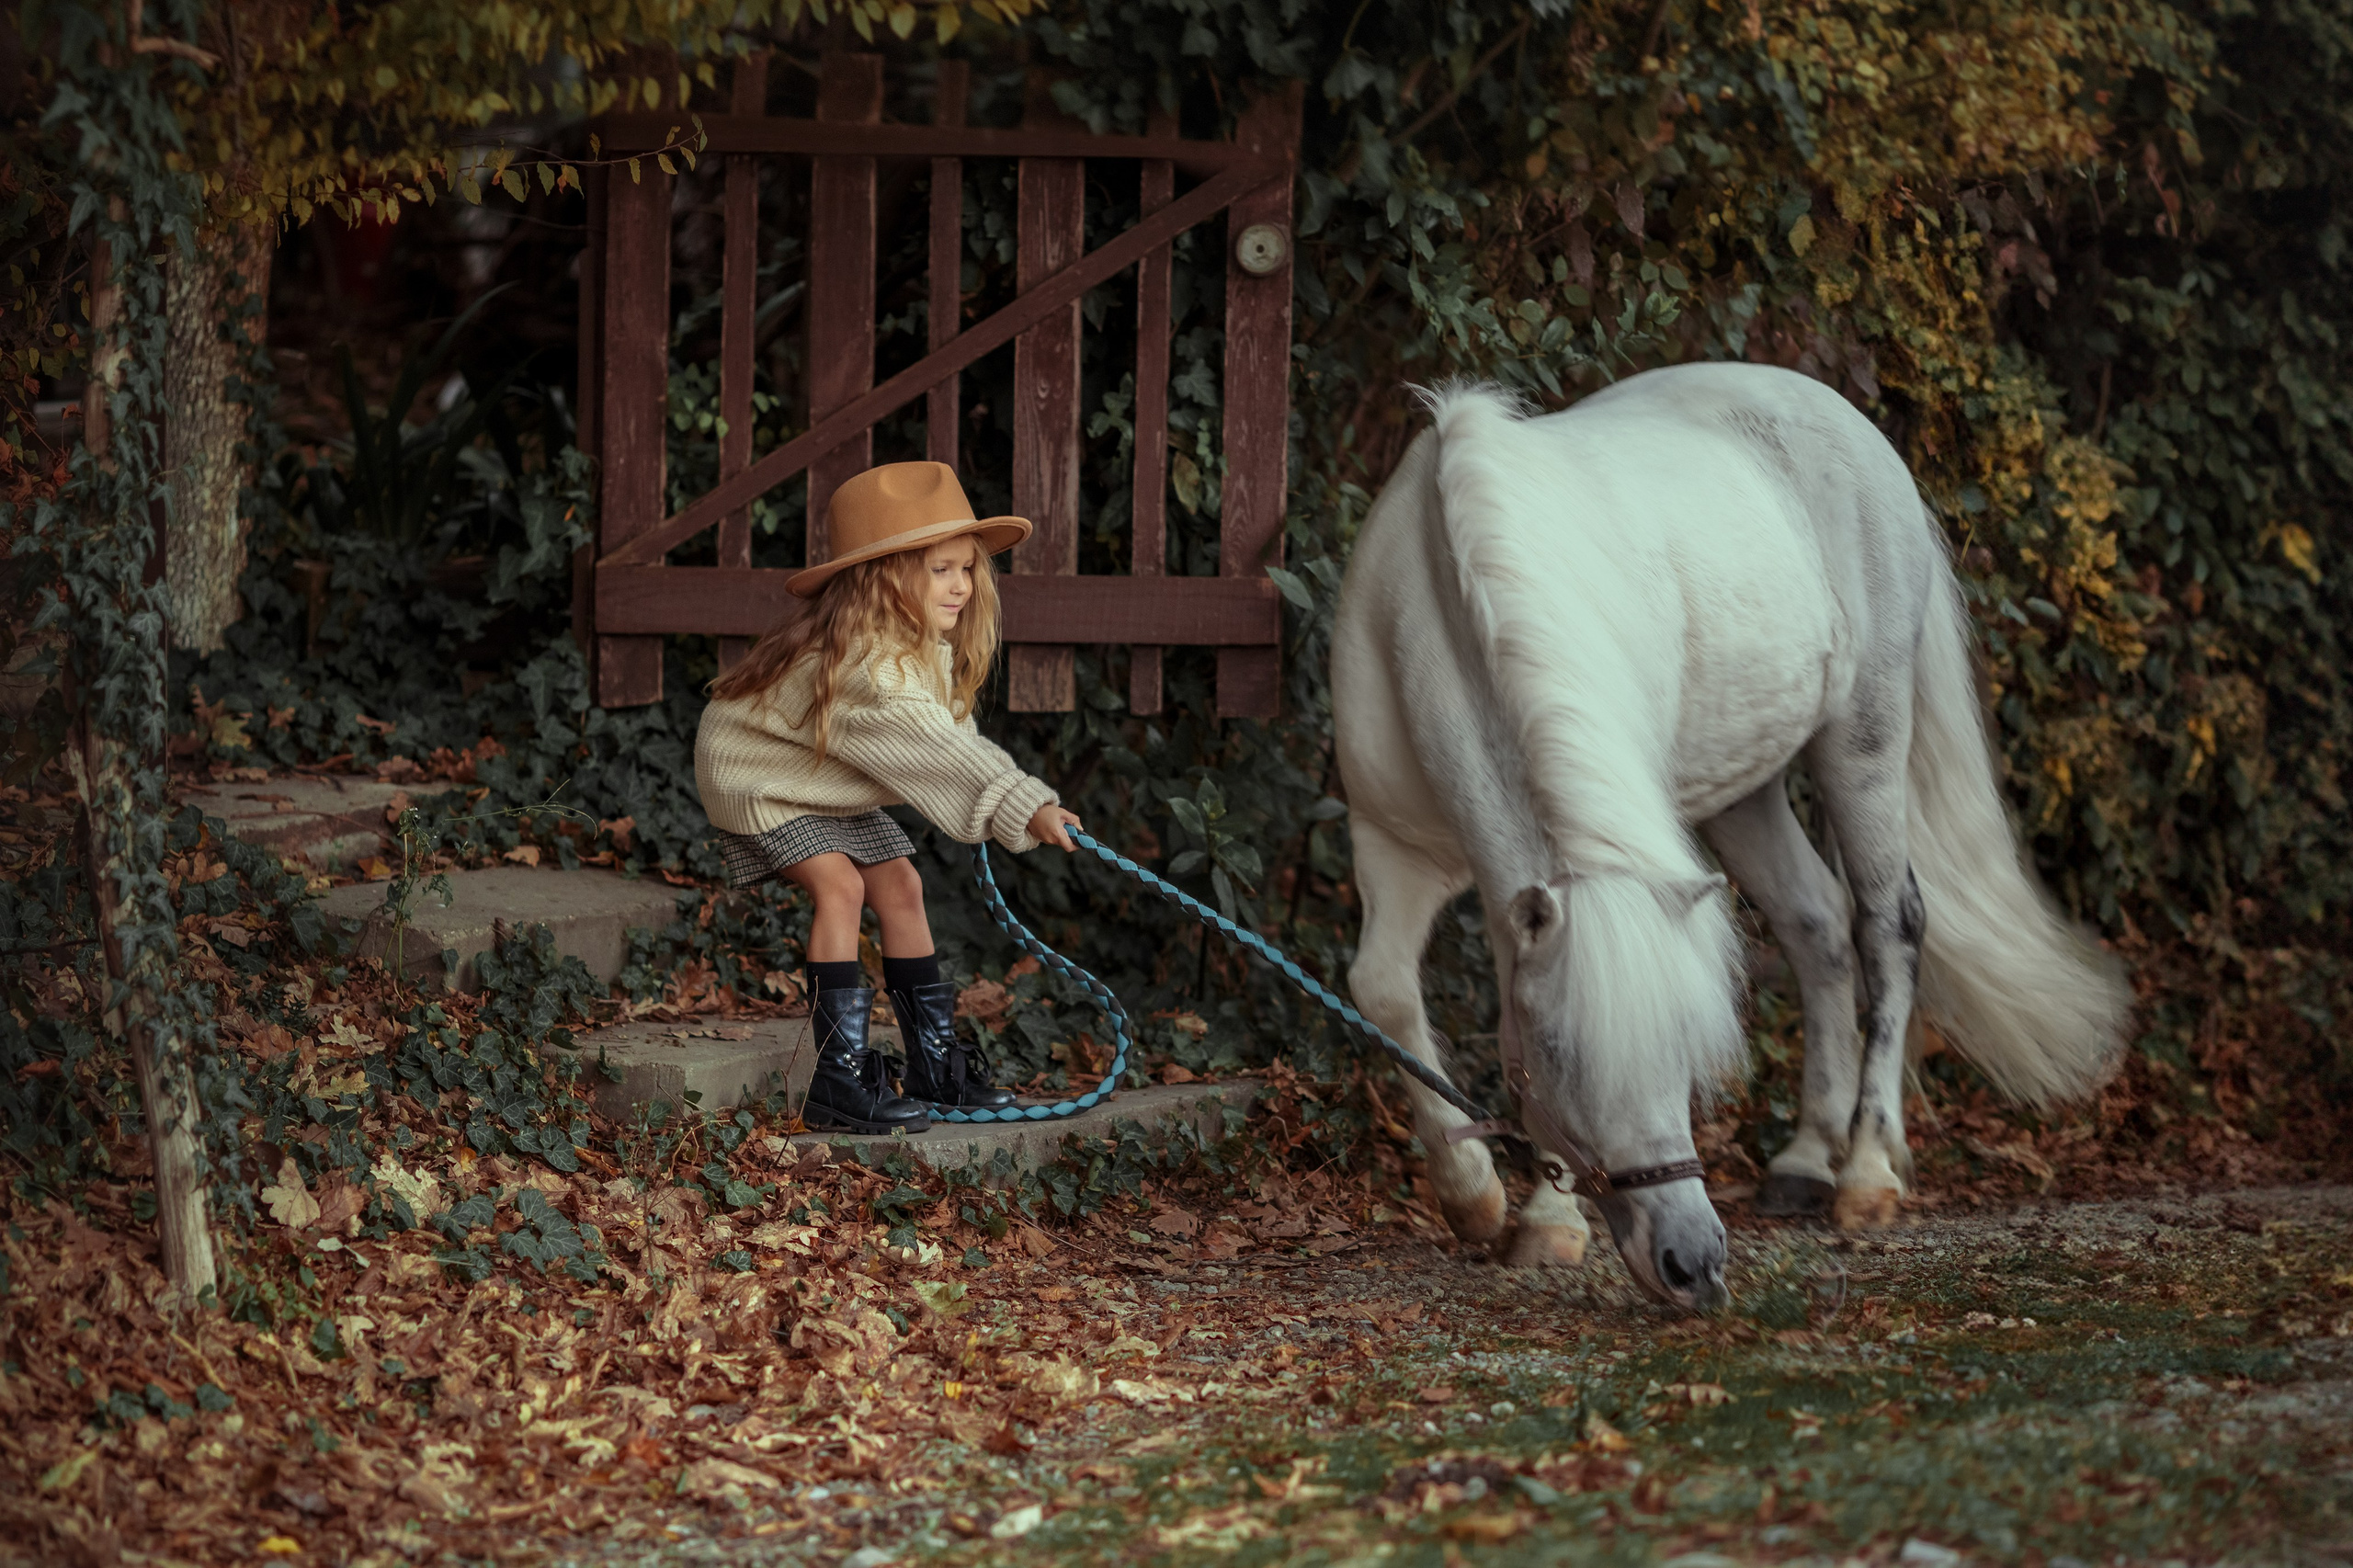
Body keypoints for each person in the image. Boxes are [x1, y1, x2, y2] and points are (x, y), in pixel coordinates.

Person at [695, 461, 1082, 1134]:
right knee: (841, 886)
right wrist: (1024, 804)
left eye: (966, 567)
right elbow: (943, 752)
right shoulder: (869, 669)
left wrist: (1008, 798)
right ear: (884, 576)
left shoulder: (916, 648)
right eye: (940, 569)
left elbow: (947, 738)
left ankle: (934, 1065)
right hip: (759, 775)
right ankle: (837, 1079)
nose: (962, 584)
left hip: (820, 777)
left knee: (900, 882)